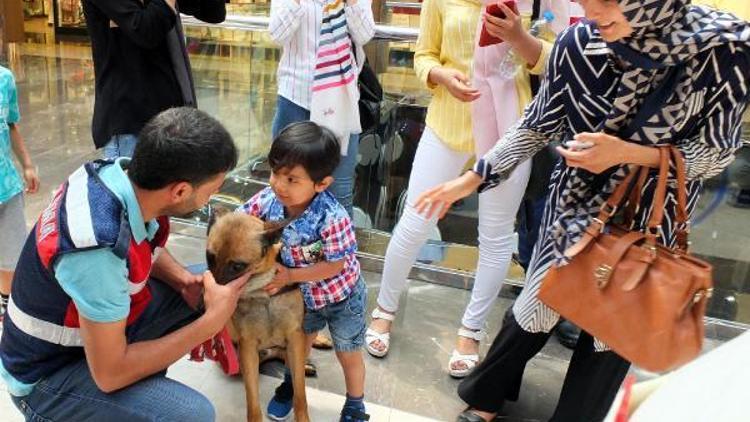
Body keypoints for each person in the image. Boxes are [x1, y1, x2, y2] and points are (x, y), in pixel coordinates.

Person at [414, 0, 750, 420]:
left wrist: (627, 153)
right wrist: (476, 176)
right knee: (537, 304)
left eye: (608, 5)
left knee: (614, 327)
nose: (593, 14)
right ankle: (486, 396)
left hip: (649, 216)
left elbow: (715, 156)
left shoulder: (720, 49)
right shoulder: (579, 43)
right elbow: (538, 123)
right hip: (574, 206)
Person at [364, 0, 569, 379]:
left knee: (495, 237)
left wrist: (519, 37)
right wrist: (441, 76)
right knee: (415, 222)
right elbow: (424, 55)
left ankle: (470, 332)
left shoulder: (533, 3)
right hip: (447, 123)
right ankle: (384, 311)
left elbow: (559, 61)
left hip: (512, 133)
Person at [0, 107, 245, 421]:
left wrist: (183, 281)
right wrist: (209, 324)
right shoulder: (97, 249)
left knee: (200, 284)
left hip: (81, 342)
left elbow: (145, 243)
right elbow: (110, 375)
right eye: (213, 190)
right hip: (46, 380)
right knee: (191, 414)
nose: (214, 197)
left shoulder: (113, 175)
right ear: (180, 190)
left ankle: (136, 398)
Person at [239, 122, 369, 422]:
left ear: (321, 184)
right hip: (304, 301)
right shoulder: (269, 201)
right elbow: (241, 219)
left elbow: (335, 265)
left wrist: (290, 277)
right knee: (298, 348)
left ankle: (355, 405)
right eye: (275, 173)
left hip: (341, 298)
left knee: (348, 353)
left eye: (292, 179)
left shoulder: (333, 217)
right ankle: (290, 387)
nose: (278, 184)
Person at [268, 0, 375, 217]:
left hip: (340, 100)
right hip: (295, 96)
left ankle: (337, 250)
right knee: (284, 185)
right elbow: (277, 34)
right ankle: (282, 248)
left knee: (339, 190)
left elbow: (364, 35)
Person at [82, 0, 227, 159]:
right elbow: (145, 30)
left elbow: (214, 13)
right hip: (131, 122)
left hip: (172, 115)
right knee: (135, 183)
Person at [0, 65, 40, 325]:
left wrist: (26, 164)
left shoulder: (5, 79)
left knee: (12, 258)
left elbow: (11, 125)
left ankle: (6, 307)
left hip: (7, 187)